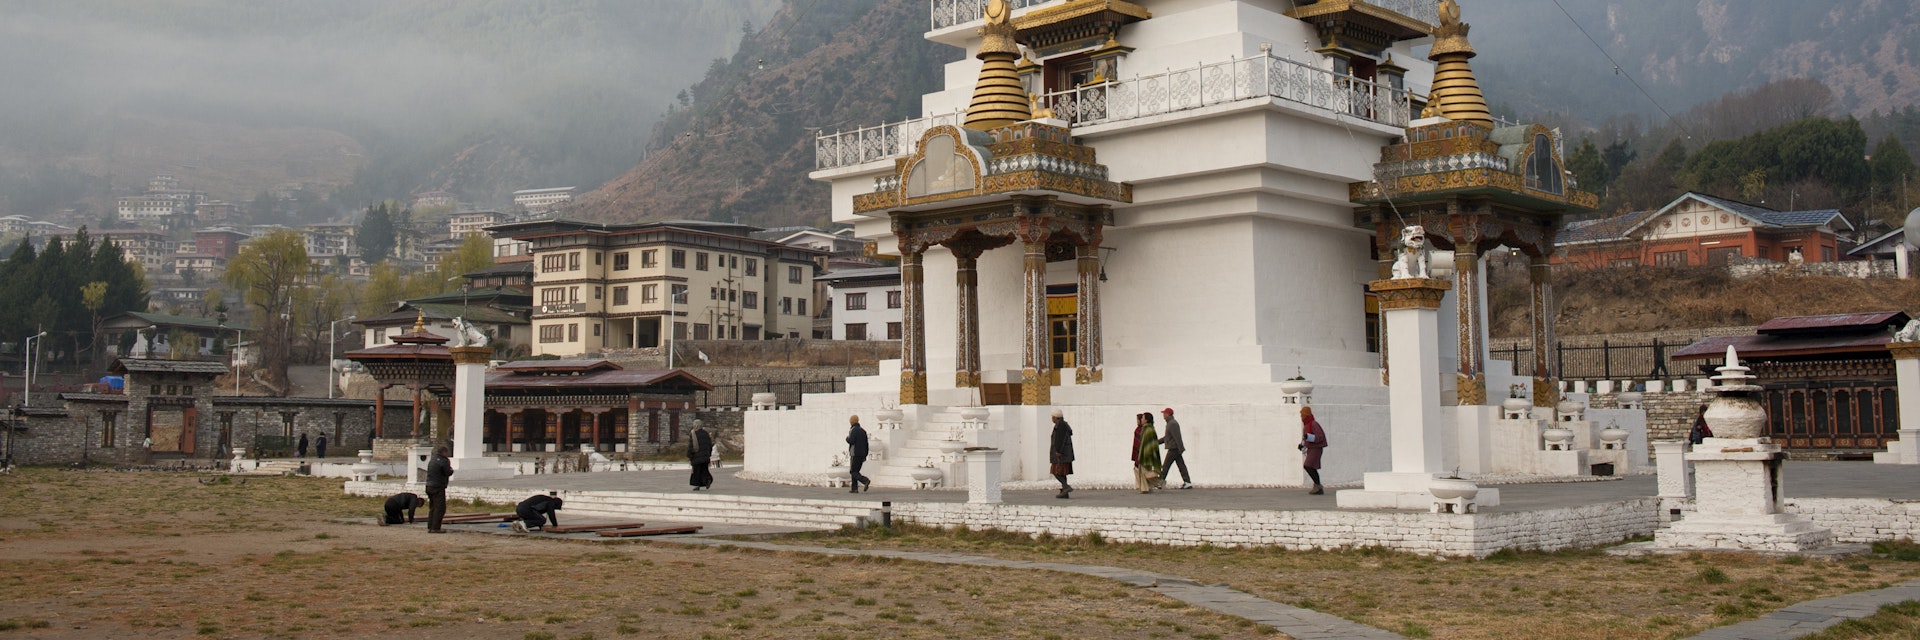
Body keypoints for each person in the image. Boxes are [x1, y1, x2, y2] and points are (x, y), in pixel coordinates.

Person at [1131, 412, 1164, 493]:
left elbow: (1148, 444)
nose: (1141, 420)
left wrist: (1144, 454)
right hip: (1144, 454)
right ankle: (1144, 488)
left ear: (1146, 420)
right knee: (1141, 472)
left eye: (1142, 418)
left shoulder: (1148, 430)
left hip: (1146, 455)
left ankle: (1158, 482)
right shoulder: (1146, 429)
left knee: (1145, 472)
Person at [1300, 407, 1329, 495]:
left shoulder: (1314, 424)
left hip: (1316, 448)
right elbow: (1305, 437)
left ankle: (1318, 485)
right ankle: (1317, 486)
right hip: (1311, 448)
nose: (1301, 417)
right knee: (1310, 466)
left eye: (1302, 415)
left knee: (1308, 466)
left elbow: (1320, 437)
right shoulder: (1306, 425)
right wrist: (1302, 444)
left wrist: (1309, 437)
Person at [1160, 407, 1191, 489]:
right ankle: (1187, 482)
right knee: (1181, 465)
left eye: (1164, 413)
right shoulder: (1170, 423)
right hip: (1176, 448)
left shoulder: (1172, 424)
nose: (1163, 415)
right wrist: (1157, 442)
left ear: (1168, 414)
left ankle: (1160, 482)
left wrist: (1180, 448)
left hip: (1174, 448)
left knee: (1166, 465)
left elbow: (1177, 437)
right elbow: (1167, 437)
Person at [424, 447, 453, 533]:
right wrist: (450, 468)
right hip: (438, 487)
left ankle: (430, 526)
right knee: (440, 508)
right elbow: (448, 472)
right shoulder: (443, 461)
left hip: (429, 486)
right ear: (444, 452)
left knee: (432, 507)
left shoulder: (432, 460)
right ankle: (436, 528)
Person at [1048, 409, 1075, 499]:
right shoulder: (1062, 425)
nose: (1052, 419)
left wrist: (1058, 451)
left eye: (1052, 417)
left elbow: (1059, 439)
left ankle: (1066, 487)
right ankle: (1064, 491)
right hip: (1065, 454)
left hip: (1061, 454)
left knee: (1056, 471)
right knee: (1062, 472)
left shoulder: (1060, 426)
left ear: (1056, 417)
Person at [846, 415, 870, 493]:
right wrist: (865, 454)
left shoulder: (853, 430)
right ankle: (854, 488)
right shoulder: (863, 431)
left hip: (855, 453)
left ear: (852, 422)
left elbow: (851, 441)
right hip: (862, 454)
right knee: (856, 471)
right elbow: (866, 444)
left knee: (853, 471)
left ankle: (865, 480)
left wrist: (847, 439)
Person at [687, 419, 715, 491]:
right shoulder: (706, 433)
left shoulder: (693, 434)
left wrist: (690, 456)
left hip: (697, 457)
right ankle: (707, 480)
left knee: (696, 472)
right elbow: (709, 445)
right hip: (705, 457)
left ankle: (697, 485)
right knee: (704, 470)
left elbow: (691, 446)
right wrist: (708, 455)